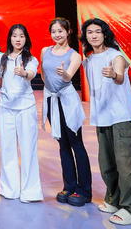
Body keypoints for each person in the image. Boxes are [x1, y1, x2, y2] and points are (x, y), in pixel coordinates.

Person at [80, 18, 131, 225]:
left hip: (121, 117)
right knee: (107, 163)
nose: (94, 35)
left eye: (97, 31)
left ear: (105, 34)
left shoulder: (115, 56)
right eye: (89, 32)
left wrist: (114, 74)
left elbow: (120, 77)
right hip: (102, 118)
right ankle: (114, 200)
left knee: (126, 164)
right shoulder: (88, 60)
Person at [40, 18, 91, 206]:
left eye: (60, 31)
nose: (57, 34)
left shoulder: (74, 55)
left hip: (67, 101)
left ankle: (84, 191)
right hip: (52, 100)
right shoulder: (45, 51)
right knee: (62, 145)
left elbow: (69, 76)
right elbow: (43, 75)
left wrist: (64, 74)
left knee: (76, 144)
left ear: (68, 32)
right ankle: (69, 186)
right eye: (54, 31)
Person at [0, 24, 43, 203]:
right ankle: (9, 189)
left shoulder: (31, 59)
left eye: (21, 36)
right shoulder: (1, 58)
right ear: (10, 38)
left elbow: (31, 74)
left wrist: (23, 73)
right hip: (5, 108)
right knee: (7, 148)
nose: (18, 39)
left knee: (28, 148)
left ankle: (30, 192)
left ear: (26, 39)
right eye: (14, 35)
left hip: (25, 107)